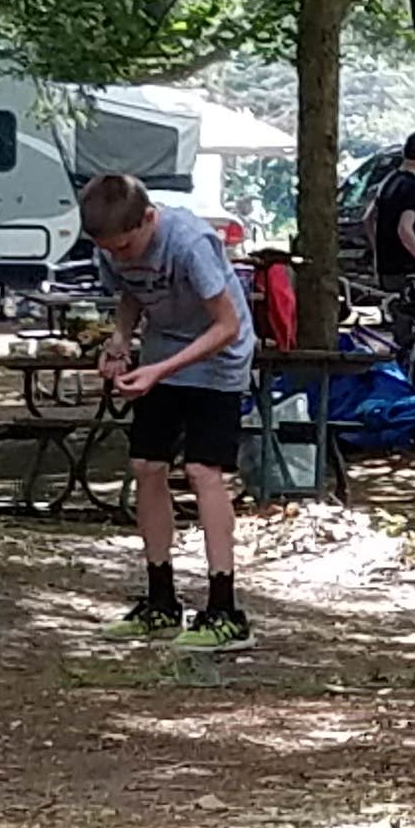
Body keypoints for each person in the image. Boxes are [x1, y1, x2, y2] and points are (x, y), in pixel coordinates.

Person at [84, 172, 258, 649]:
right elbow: (130, 295)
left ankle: (225, 610)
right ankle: (160, 601)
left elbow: (225, 325)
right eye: (110, 251)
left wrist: (160, 371)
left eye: (125, 247)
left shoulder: (190, 242)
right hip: (164, 354)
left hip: (220, 357)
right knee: (146, 464)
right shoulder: (111, 245)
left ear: (148, 220)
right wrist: (120, 342)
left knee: (203, 470)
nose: (119, 257)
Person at [369, 131, 415, 287]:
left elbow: (368, 218)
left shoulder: (388, 181)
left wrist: (378, 251)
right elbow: (405, 229)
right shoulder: (412, 187)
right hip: (406, 270)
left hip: (385, 268)